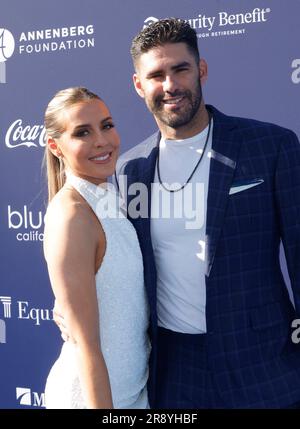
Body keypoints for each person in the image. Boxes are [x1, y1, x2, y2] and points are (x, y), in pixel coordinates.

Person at [55, 19, 300, 408]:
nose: (170, 85)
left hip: (264, 360)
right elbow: (110, 260)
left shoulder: (271, 146)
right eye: (156, 75)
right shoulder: (129, 168)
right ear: (139, 86)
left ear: (200, 70)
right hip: (175, 369)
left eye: (180, 69)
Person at [43, 87, 150, 409]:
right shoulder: (72, 215)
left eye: (106, 125)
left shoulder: (110, 200)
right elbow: (86, 346)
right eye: (82, 133)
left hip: (132, 395)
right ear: (56, 147)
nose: (102, 140)